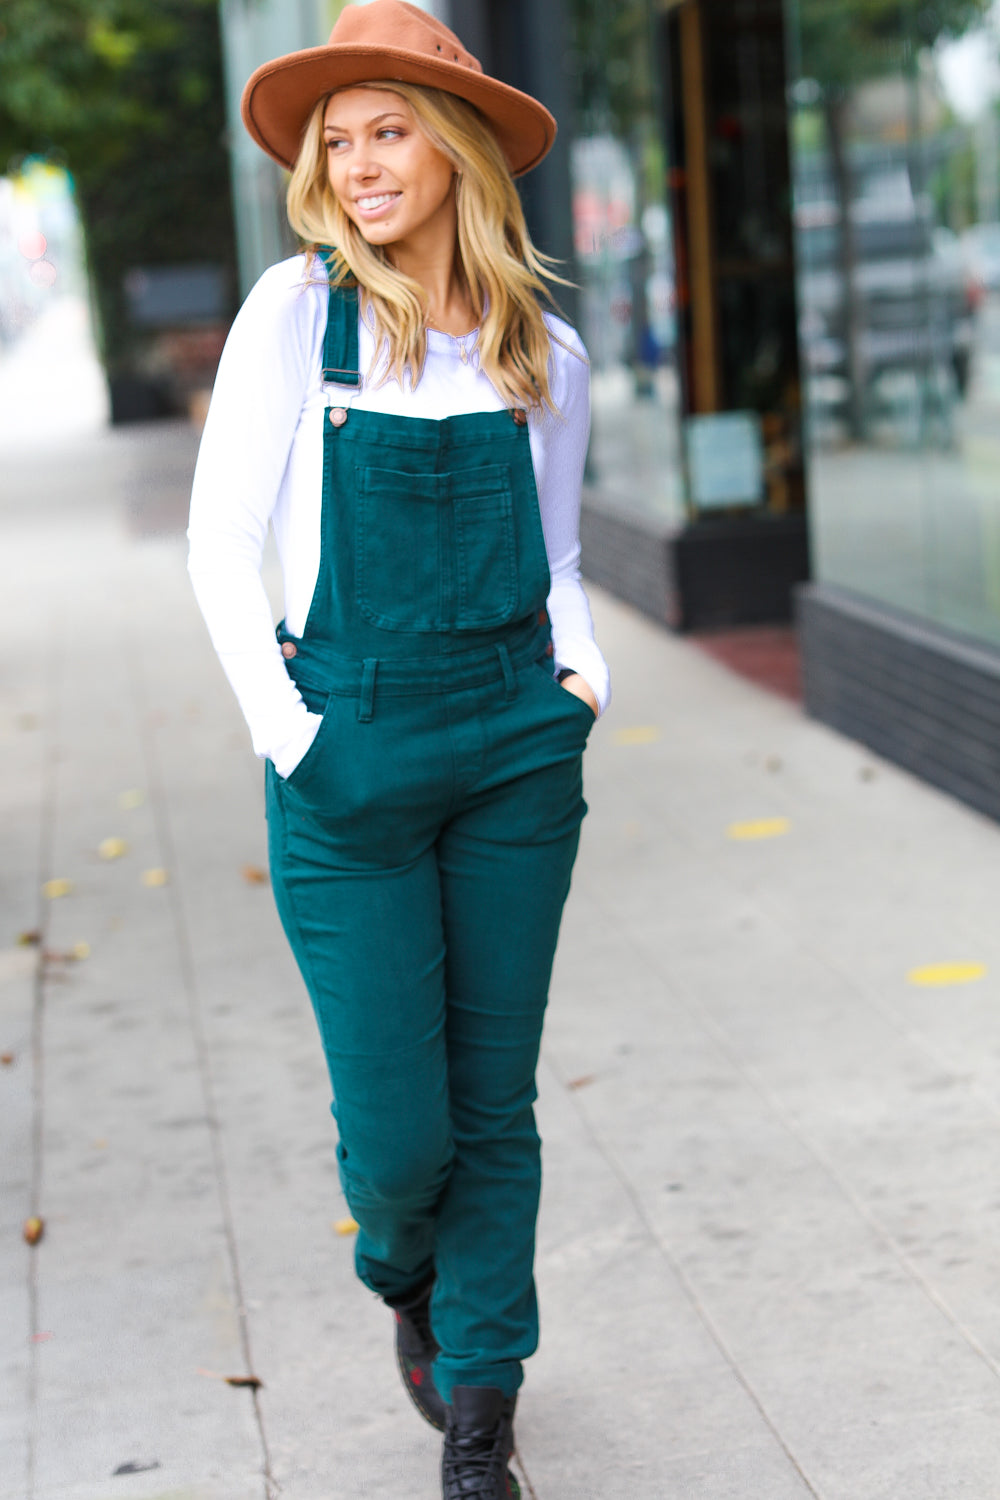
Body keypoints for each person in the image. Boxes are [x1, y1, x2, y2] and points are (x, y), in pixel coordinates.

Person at [187, 3, 609, 1495]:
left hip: (511, 747)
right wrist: (297, 738)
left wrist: (584, 682)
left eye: (390, 129)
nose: (361, 164)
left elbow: (556, 556)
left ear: (461, 148)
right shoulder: (294, 319)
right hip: (346, 744)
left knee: (496, 1098)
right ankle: (402, 1267)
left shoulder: (539, 345)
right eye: (339, 140)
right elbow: (220, 548)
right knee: (401, 1133)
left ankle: (483, 1420)